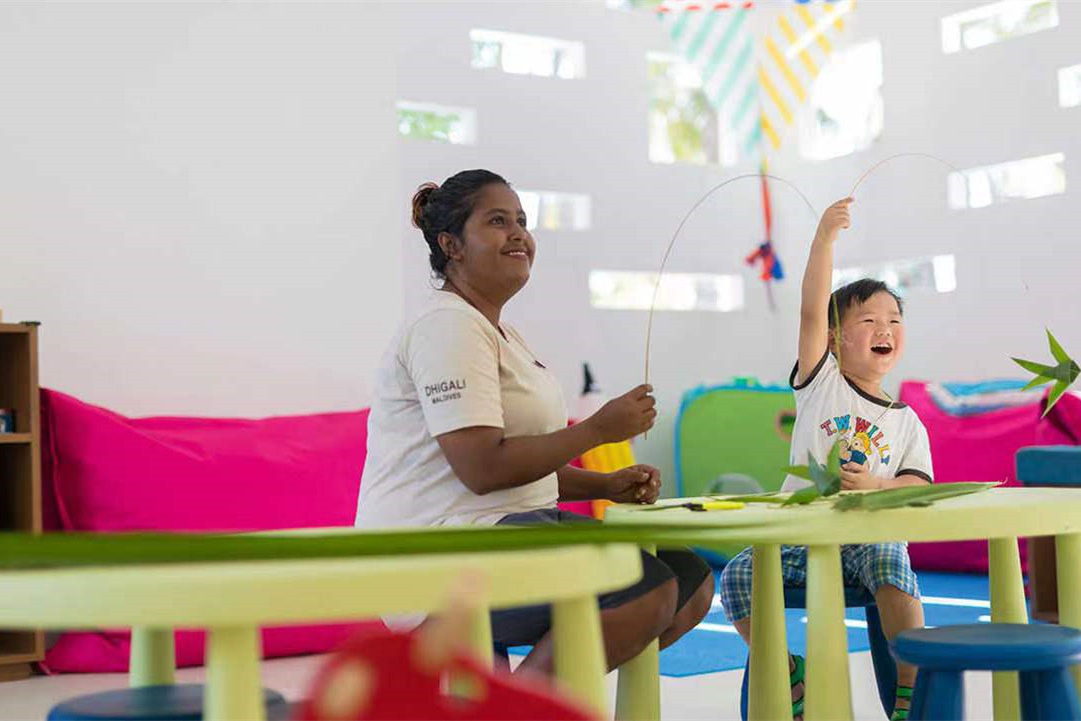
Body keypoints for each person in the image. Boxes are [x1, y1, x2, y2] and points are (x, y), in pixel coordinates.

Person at [356, 169, 713, 675]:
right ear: (451, 245)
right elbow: (484, 468)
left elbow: (518, 464)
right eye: (497, 221)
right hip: (436, 550)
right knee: (643, 590)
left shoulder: (500, 333)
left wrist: (604, 484)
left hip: (504, 528)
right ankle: (518, 706)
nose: (518, 234)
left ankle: (517, 696)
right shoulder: (446, 326)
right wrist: (597, 430)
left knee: (690, 580)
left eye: (522, 221)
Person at [719, 198, 933, 721]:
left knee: (892, 565)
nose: (884, 329)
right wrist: (824, 239)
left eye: (894, 319)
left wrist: (877, 487)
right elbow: (812, 310)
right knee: (738, 576)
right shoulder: (822, 384)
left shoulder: (908, 421)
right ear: (834, 339)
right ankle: (785, 668)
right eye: (869, 320)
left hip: (869, 540)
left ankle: (911, 689)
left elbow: (918, 486)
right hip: (800, 536)